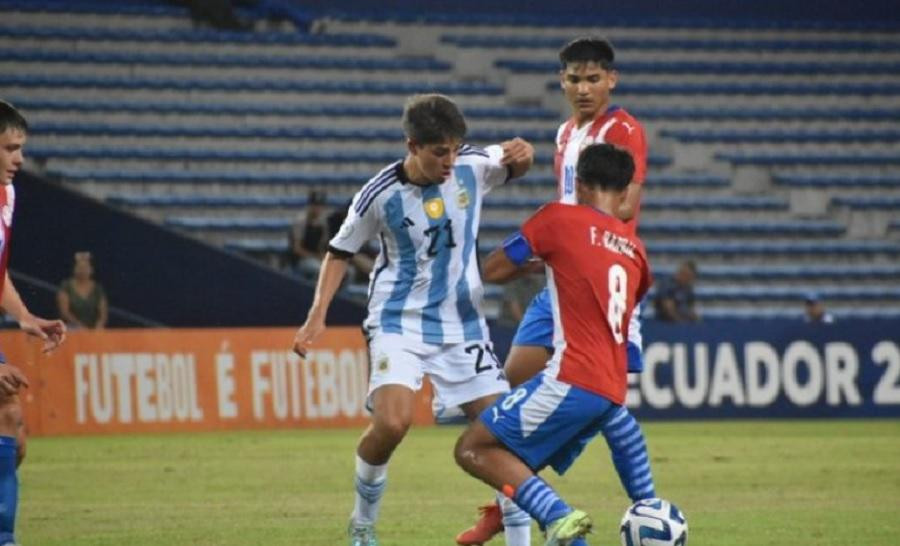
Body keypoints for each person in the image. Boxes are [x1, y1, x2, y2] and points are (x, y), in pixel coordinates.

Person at [290, 94, 535, 546]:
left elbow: (515, 158)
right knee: (393, 424)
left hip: (462, 324)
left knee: (504, 436)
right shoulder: (379, 194)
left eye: (454, 149)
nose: (449, 160)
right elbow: (339, 252)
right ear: (412, 145)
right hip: (398, 322)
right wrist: (316, 314)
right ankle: (363, 524)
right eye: (438, 151)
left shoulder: (472, 166)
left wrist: (525, 153)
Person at [457, 36, 653, 545]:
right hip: (562, 274)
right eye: (573, 79)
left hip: (599, 274)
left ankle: (646, 505)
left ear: (611, 79)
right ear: (561, 82)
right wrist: (554, 251)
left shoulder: (624, 128)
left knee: (605, 398)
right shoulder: (565, 133)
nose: (583, 88)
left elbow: (624, 206)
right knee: (512, 386)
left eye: (593, 78)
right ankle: (515, 497)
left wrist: (572, 239)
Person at [0, 100, 67, 545]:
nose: (20, 159)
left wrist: (23, 316)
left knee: (14, 435)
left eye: (20, 148)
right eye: (9, 148)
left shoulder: (6, 195)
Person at [57, 251, 108, 330]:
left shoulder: (97, 288)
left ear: (91, 269)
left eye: (85, 267)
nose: (82, 270)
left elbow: (103, 314)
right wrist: (80, 326)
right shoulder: (66, 286)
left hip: (93, 329)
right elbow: (64, 312)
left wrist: (99, 326)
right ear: (74, 269)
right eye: (80, 267)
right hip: (72, 327)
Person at [287, 190, 328, 280]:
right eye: (315, 205)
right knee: (319, 269)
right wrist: (315, 256)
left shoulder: (322, 224)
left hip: (315, 259)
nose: (317, 209)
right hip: (301, 261)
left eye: (320, 205)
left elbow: (321, 247)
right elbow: (297, 249)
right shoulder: (301, 222)